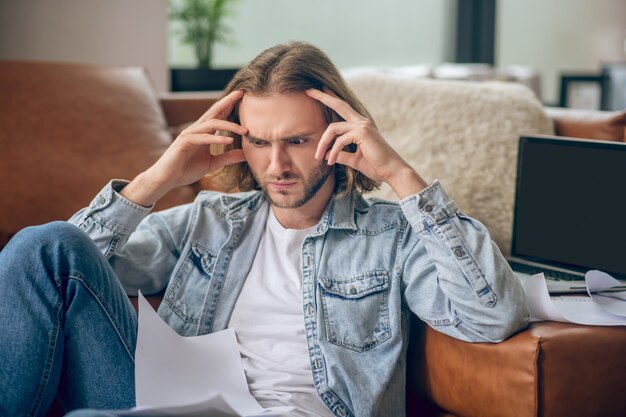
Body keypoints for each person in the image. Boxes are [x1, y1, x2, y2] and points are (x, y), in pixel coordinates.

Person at [0, 41, 529, 417]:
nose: (275, 164)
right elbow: (56, 282)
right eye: (258, 141)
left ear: (340, 137)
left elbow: (493, 317)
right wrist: (157, 178)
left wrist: (399, 174)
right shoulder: (209, 220)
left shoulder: (392, 236)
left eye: (297, 141)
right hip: (170, 403)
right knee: (43, 243)